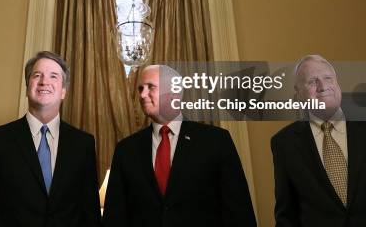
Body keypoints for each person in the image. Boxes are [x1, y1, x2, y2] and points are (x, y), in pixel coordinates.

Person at [102, 64, 256, 226]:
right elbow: (114, 217)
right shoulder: (126, 150)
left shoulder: (215, 141)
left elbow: (239, 212)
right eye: (141, 89)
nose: (142, 95)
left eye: (150, 87)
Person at [0, 51, 100, 227]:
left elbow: (90, 214)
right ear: (27, 86)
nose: (44, 82)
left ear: (64, 91)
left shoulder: (83, 144)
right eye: (37, 75)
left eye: (53, 76)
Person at [271, 54, 366, 226]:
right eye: (312, 81)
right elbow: (286, 216)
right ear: (298, 93)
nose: (323, 87)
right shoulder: (283, 144)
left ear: (337, 84)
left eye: (328, 78)